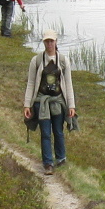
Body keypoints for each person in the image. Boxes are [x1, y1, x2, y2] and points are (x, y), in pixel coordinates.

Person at [24, 30, 76, 173]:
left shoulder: (64, 61)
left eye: (51, 41)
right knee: (45, 133)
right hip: (41, 102)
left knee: (58, 131)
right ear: (43, 42)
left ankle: (61, 158)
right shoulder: (36, 61)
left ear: (56, 42)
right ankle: (48, 163)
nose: (49, 44)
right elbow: (31, 83)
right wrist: (27, 104)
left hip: (58, 102)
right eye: (46, 41)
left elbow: (68, 84)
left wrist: (71, 106)